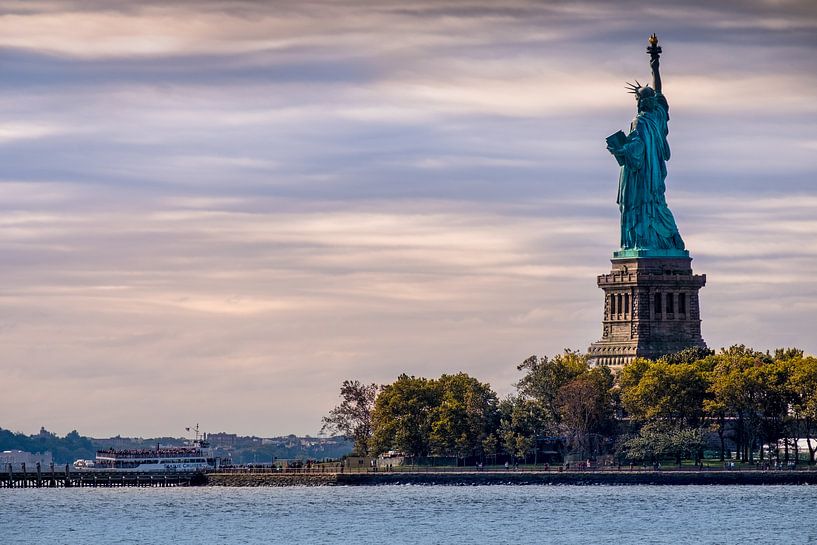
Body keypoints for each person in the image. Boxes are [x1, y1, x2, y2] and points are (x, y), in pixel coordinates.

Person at [607, 35, 685, 253]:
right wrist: (622, 149)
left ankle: (650, 241)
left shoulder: (652, 119)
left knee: (651, 204)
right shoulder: (646, 120)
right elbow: (637, 147)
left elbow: (635, 150)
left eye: (649, 98)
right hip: (644, 175)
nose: (650, 100)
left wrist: (655, 66)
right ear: (642, 101)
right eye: (646, 98)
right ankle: (643, 242)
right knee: (648, 205)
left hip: (648, 175)